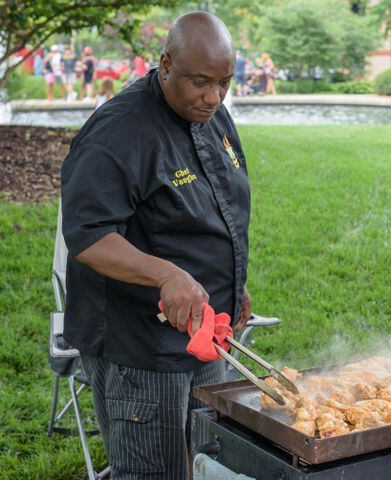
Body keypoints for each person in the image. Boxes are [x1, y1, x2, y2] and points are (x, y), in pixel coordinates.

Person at [61, 11, 251, 480]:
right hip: (141, 347)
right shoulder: (118, 132)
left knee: (204, 463)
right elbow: (87, 235)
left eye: (225, 82)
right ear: (165, 65)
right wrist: (166, 274)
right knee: (153, 472)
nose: (213, 97)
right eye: (200, 82)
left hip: (207, 331)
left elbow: (218, 206)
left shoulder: (211, 113)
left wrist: (232, 282)